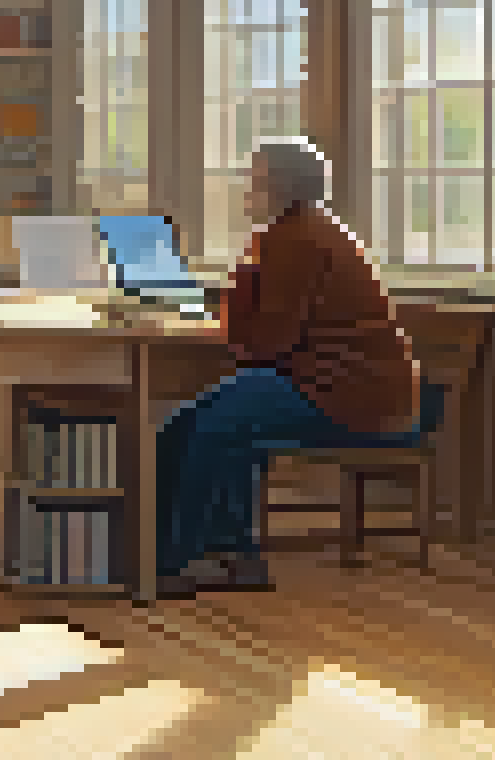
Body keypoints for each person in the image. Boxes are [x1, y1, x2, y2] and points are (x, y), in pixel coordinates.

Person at [154, 138, 421, 596]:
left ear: (279, 189)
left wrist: (238, 290)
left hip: (350, 394)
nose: (246, 193)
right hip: (327, 383)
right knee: (188, 423)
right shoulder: (297, 233)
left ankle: (187, 559)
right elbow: (264, 337)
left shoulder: (295, 240)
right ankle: (197, 553)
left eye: (254, 183)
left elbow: (267, 343)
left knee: (213, 427)